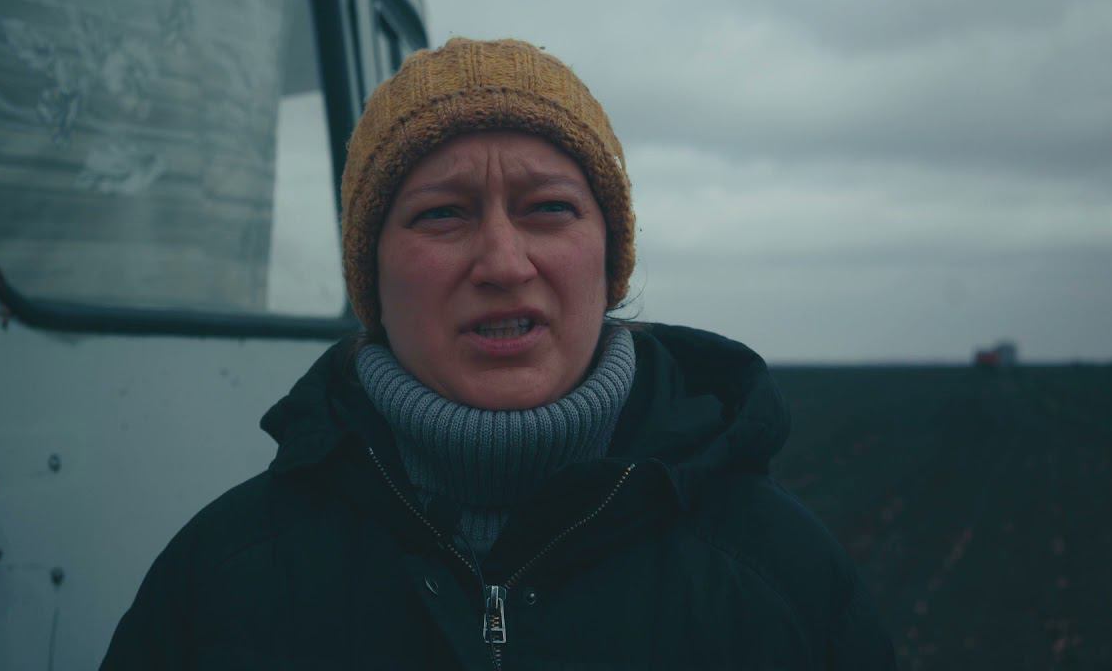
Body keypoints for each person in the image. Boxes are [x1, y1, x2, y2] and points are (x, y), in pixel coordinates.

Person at [101, 37, 895, 669]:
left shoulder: (782, 580)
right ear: (372, 276)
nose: (505, 263)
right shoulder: (221, 580)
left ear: (609, 259)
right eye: (443, 214)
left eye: (548, 207)